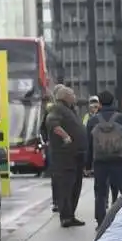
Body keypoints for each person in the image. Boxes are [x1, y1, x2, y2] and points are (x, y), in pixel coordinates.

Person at [86, 90, 122, 228]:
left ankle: (101, 221)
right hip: (119, 161)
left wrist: (87, 165)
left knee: (101, 193)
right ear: (114, 101)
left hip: (100, 162)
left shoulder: (92, 121)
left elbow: (89, 145)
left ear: (100, 103)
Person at [45, 86, 88, 227]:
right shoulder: (57, 108)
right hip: (65, 157)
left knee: (75, 186)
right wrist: (66, 137)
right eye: (72, 94)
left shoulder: (70, 110)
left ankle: (71, 215)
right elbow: (53, 124)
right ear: (65, 97)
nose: (75, 96)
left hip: (75, 156)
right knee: (66, 187)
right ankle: (66, 217)